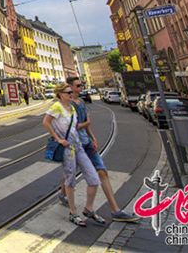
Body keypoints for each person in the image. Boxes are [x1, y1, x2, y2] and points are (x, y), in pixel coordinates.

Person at [59, 77, 139, 222]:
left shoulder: (81, 102)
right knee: (70, 172)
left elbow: (86, 123)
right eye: (78, 85)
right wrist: (86, 123)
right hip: (75, 144)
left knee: (102, 172)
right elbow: (70, 126)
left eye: (81, 84)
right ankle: (64, 194)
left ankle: (115, 210)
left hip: (87, 142)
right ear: (70, 87)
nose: (81, 86)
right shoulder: (67, 105)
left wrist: (93, 138)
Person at [42, 82, 101, 227]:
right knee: (70, 178)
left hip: (78, 146)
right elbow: (46, 122)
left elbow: (74, 126)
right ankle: (73, 212)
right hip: (67, 148)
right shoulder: (56, 107)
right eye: (68, 92)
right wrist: (58, 139)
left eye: (71, 92)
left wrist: (91, 136)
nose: (71, 94)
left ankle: (89, 208)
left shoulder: (72, 107)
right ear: (61, 94)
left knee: (94, 178)